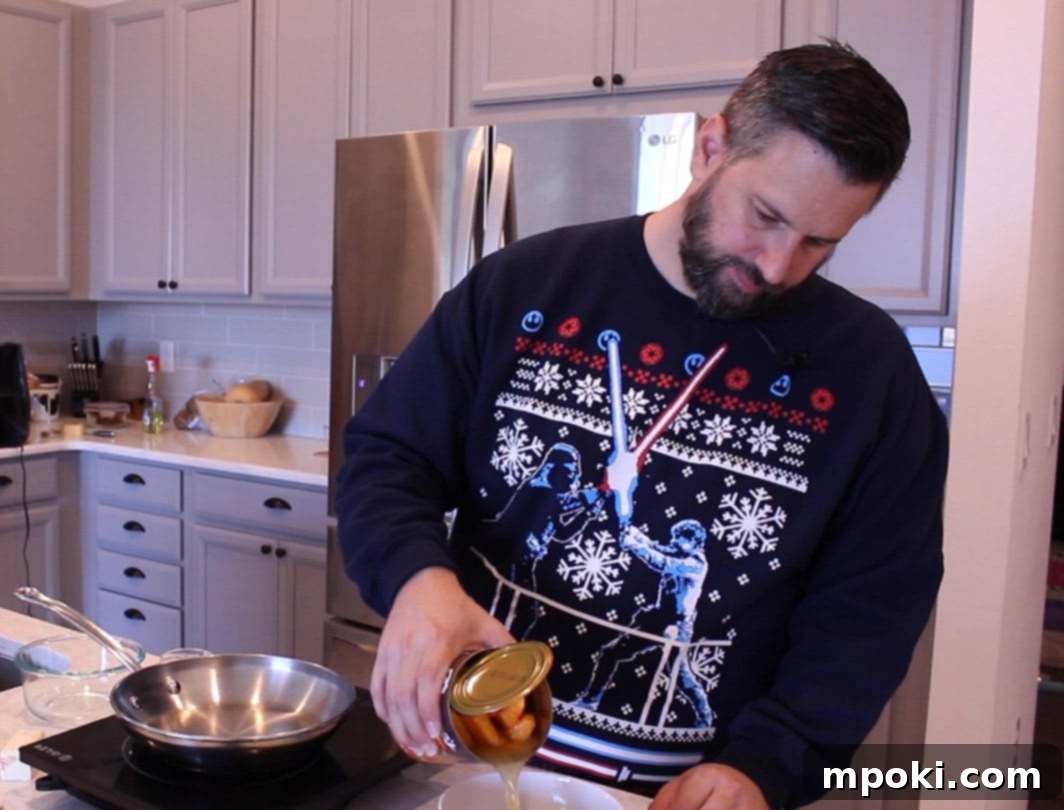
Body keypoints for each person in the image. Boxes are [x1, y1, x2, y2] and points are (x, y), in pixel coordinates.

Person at [334, 41, 947, 809]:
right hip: (459, 765)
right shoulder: (527, 286)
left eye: (821, 241)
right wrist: (418, 579)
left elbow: (872, 609)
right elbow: (387, 457)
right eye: (766, 216)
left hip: (677, 794)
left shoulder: (872, 376)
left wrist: (767, 766)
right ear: (711, 148)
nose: (780, 266)